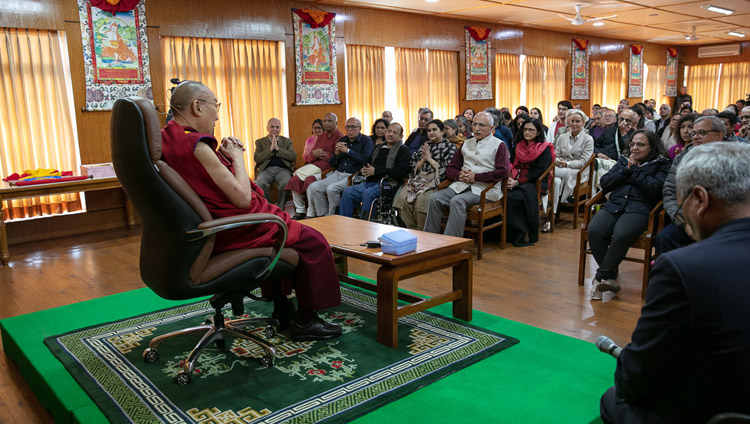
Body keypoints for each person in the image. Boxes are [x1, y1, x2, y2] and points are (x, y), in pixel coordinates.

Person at [160, 81, 341, 341]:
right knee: (315, 243)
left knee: (289, 241)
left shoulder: (168, 137)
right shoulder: (196, 146)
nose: (217, 114)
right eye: (215, 105)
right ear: (197, 106)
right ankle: (305, 321)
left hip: (216, 223)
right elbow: (244, 198)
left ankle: (282, 308)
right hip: (237, 224)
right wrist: (236, 157)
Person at [600, 142, 750, 423]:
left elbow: (635, 378)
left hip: (715, 410)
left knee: (612, 399)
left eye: (681, 206)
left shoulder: (685, 267)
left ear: (699, 199)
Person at [588, 130, 670, 300]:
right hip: (615, 205)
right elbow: (605, 183)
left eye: (640, 144)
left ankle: (600, 277)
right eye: (632, 144)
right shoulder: (624, 160)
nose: (634, 148)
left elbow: (656, 189)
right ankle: (609, 276)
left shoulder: (662, 164)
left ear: (652, 146)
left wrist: (635, 171)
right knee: (594, 230)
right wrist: (626, 171)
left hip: (640, 208)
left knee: (621, 233)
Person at [423, 112, 510, 237]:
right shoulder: (466, 143)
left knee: (457, 201)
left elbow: (503, 172)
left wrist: (475, 177)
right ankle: (430, 239)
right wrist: (459, 176)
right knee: (435, 198)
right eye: (474, 124)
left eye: (482, 125)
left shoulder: (499, 145)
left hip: (485, 188)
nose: (477, 128)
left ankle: (451, 244)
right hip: (462, 184)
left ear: (491, 128)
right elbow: (451, 167)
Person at [655, 115, 727, 256]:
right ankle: (677, 277)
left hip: (722, 219)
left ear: (719, 135)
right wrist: (684, 222)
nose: (694, 137)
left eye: (701, 133)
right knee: (664, 238)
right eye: (694, 133)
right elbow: (669, 190)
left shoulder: (734, 157)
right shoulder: (683, 157)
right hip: (688, 217)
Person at [393, 119, 457, 230]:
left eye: (434, 130)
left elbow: (447, 169)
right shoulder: (425, 146)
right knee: (403, 199)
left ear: (442, 131)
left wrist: (429, 159)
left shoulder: (450, 147)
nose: (431, 132)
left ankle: (424, 232)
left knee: (422, 201)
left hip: (435, 180)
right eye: (429, 130)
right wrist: (422, 160)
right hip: (418, 178)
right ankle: (413, 230)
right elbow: (412, 164)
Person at [338, 122, 410, 219]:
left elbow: (400, 171)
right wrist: (364, 169)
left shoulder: (403, 150)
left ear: (401, 136)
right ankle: (344, 222)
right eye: (389, 131)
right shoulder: (379, 148)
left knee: (368, 193)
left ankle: (365, 224)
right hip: (370, 181)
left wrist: (376, 171)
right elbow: (367, 162)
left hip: (387, 184)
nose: (391, 134)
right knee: (348, 191)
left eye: (395, 132)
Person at [308, 117, 373, 217]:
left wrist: (348, 151)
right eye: (347, 127)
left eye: (353, 127)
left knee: (331, 189)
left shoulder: (366, 141)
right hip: (338, 173)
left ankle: (334, 216)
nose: (350, 130)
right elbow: (333, 163)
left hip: (354, 175)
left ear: (359, 128)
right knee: (314, 187)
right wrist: (337, 154)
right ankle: (323, 215)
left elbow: (365, 160)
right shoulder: (343, 140)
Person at [505, 117, 554, 246]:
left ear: (538, 132)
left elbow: (539, 171)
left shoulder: (544, 148)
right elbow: (511, 164)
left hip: (535, 181)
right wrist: (511, 177)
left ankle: (520, 233)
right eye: (525, 129)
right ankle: (505, 233)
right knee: (504, 193)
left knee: (515, 197)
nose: (527, 132)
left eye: (531, 130)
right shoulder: (518, 146)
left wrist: (519, 182)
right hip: (517, 178)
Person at [285, 113, 342, 220]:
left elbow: (336, 160)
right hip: (313, 167)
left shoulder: (340, 137)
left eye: (330, 121)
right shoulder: (321, 137)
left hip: (328, 170)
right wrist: (314, 154)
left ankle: (311, 211)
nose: (327, 123)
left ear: (336, 123)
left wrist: (322, 155)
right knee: (295, 179)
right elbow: (310, 156)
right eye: (325, 121)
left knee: (309, 180)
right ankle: (300, 210)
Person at [552, 109, 594, 214]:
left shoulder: (588, 139)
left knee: (550, 173)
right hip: (561, 167)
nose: (574, 124)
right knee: (556, 181)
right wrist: (558, 161)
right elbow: (556, 154)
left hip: (578, 170)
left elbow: (584, 161)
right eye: (572, 121)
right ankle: (552, 214)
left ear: (583, 123)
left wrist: (567, 164)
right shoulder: (562, 137)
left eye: (577, 121)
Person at [254, 118, 296, 208]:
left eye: (277, 127)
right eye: (272, 127)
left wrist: (278, 149)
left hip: (283, 170)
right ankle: (269, 208)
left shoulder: (287, 141)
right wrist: (270, 149)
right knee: (260, 183)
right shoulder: (260, 142)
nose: (275, 129)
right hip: (266, 170)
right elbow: (257, 158)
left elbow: (293, 156)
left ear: (280, 129)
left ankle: (280, 208)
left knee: (286, 183)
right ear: (267, 128)